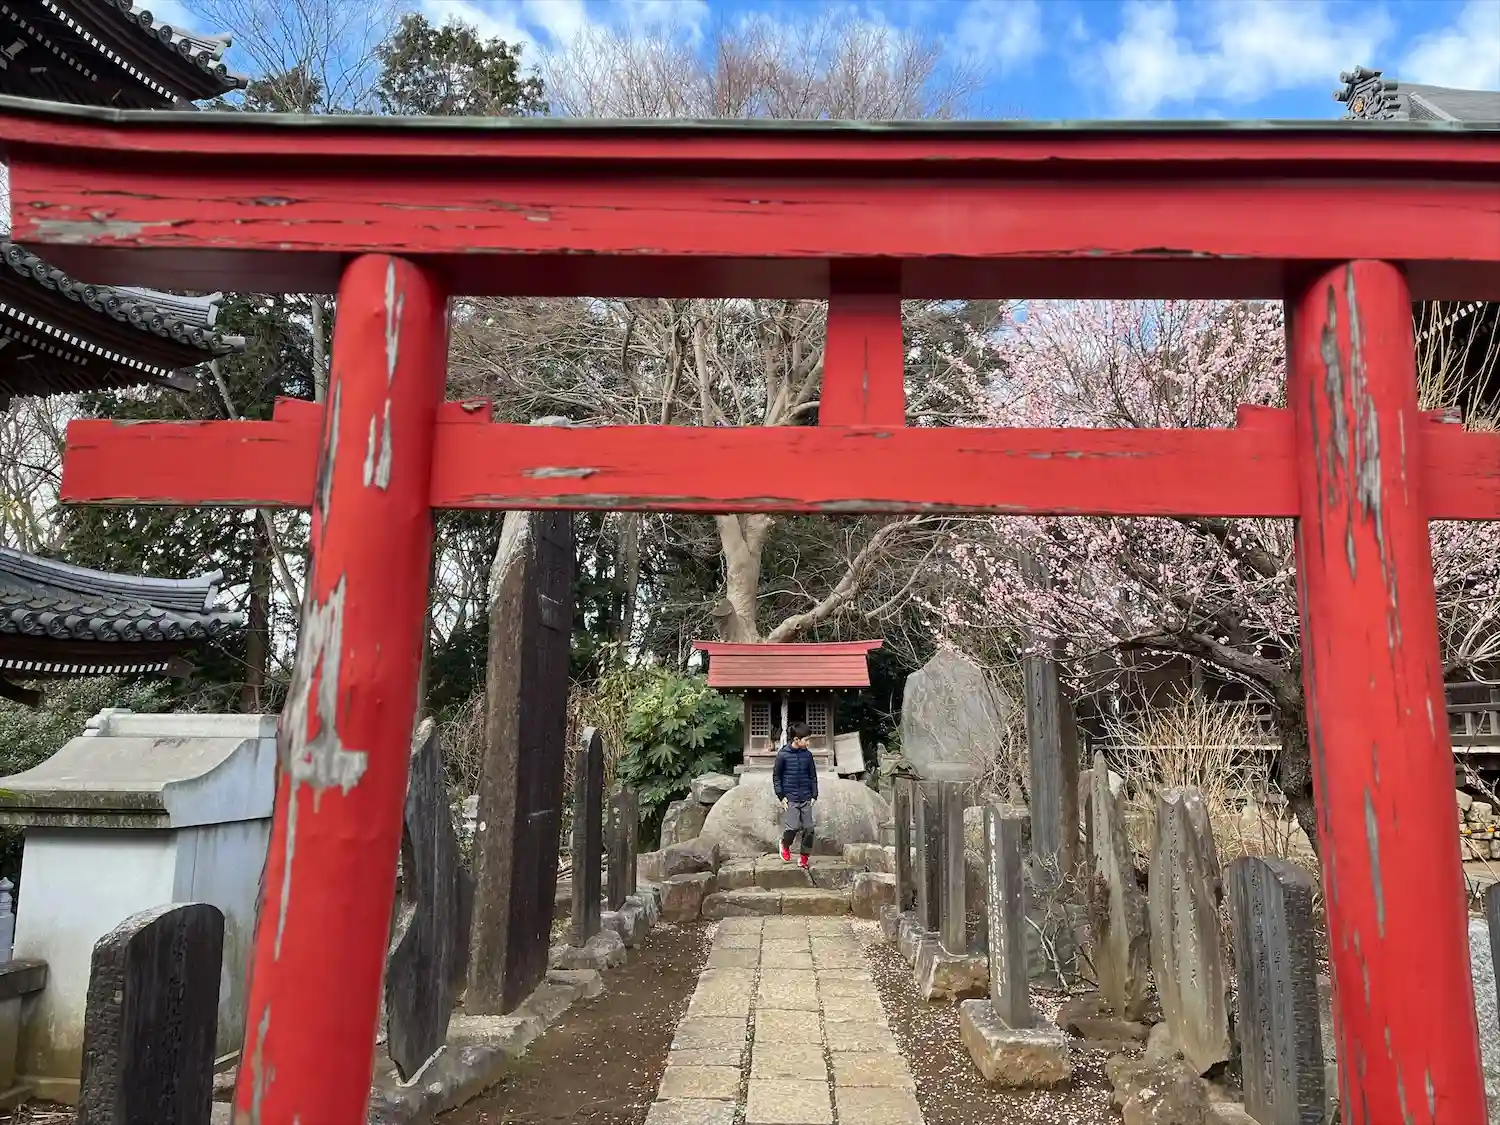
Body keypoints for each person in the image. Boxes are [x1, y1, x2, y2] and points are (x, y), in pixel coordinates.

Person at [773, 720, 818, 868]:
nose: (808, 743)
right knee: (792, 827)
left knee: (809, 829)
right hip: (791, 797)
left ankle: (804, 856)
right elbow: (777, 777)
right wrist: (781, 796)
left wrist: (814, 795)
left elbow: (812, 776)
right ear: (797, 739)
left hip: (806, 796)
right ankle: (785, 844)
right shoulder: (782, 755)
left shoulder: (808, 755)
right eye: (806, 740)